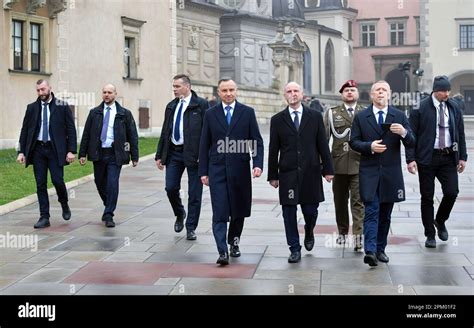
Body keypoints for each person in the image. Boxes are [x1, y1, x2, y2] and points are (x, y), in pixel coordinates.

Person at [199, 79, 264, 265]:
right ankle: (222, 251)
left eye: (231, 90)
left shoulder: (247, 113)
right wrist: (203, 171)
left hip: (240, 170)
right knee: (219, 211)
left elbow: (256, 140)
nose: (228, 93)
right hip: (217, 170)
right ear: (218, 92)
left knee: (238, 211)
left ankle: (234, 242)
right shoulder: (210, 114)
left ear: (237, 91)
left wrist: (257, 163)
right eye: (224, 90)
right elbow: (204, 144)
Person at [350, 80, 415, 267]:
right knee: (371, 210)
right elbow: (353, 142)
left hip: (391, 174)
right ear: (371, 95)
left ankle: (380, 249)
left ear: (389, 94)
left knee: (385, 214)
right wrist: (369, 146)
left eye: (384, 90)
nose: (380, 93)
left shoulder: (399, 116)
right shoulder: (362, 117)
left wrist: (404, 132)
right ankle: (370, 251)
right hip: (369, 172)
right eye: (377, 90)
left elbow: (411, 142)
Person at [268, 82, 334, 263]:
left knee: (311, 210)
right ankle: (294, 248)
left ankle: (309, 230)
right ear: (285, 95)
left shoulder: (314, 116)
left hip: (311, 172)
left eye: (296, 91)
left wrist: (328, 169)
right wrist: (273, 175)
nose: (293, 94)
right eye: (289, 91)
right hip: (287, 173)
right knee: (288, 212)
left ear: (302, 94)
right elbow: (273, 149)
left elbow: (322, 144)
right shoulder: (277, 119)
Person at [406, 76, 467, 248]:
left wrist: (463, 157)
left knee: (452, 192)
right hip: (427, 158)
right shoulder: (420, 107)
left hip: (448, 157)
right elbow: (411, 136)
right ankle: (430, 235)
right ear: (435, 90)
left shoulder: (454, 107)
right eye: (443, 91)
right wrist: (410, 159)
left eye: (448, 90)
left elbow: (460, 134)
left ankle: (440, 221)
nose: (446, 94)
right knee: (427, 197)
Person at [17, 79, 77, 229]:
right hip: (38, 150)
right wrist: (21, 151)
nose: (40, 93)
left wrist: (71, 150)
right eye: (38, 90)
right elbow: (24, 130)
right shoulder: (31, 108)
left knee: (57, 180)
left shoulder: (61, 106)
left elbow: (71, 129)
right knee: (40, 183)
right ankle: (44, 217)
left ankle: (64, 203)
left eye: (43, 89)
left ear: (50, 88)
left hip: (55, 150)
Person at [155, 75, 209, 240]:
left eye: (177, 86)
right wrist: (159, 154)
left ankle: (191, 227)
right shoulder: (171, 106)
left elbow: (208, 131)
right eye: (173, 86)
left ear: (187, 86)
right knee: (170, 188)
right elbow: (165, 131)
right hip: (174, 153)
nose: (174, 89)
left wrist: (205, 155)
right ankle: (180, 213)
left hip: (195, 155)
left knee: (194, 193)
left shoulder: (200, 105)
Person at [79, 84, 139, 228]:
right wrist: (82, 153)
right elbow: (86, 134)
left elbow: (132, 135)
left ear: (115, 94)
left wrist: (134, 156)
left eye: (109, 92)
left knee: (112, 183)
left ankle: (109, 214)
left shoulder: (124, 113)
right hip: (98, 153)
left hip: (115, 154)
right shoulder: (94, 113)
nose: (106, 95)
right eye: (104, 92)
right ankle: (109, 203)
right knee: (99, 182)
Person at [323, 80, 364, 251]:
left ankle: (358, 238)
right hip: (338, 164)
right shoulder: (332, 113)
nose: (349, 93)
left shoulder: (364, 112)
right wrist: (325, 167)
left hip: (359, 164)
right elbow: (324, 141)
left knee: (358, 202)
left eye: (352, 90)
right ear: (342, 94)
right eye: (346, 90)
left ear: (357, 93)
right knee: (340, 202)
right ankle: (342, 232)